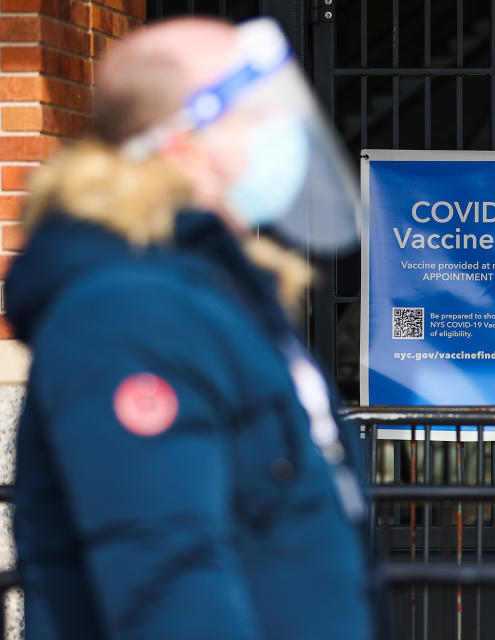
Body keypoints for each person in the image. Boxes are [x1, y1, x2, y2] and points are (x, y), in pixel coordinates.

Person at [6, 16, 375, 640]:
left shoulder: (215, 298)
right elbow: (165, 574)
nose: (281, 131)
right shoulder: (126, 313)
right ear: (182, 144)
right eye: (256, 114)